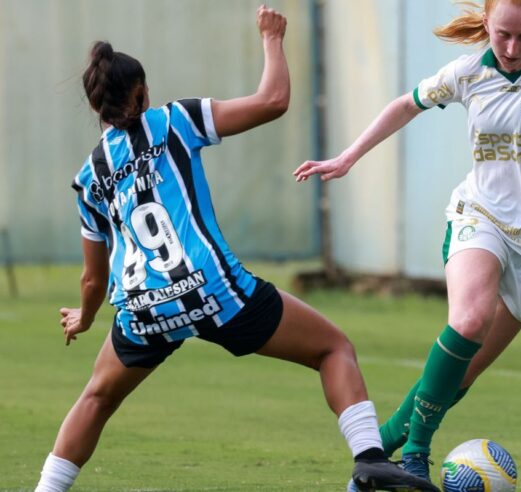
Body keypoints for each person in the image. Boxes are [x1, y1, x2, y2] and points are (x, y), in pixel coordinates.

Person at [34, 6, 438, 492]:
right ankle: (370, 460)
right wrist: (271, 37)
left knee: (96, 398)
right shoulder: (171, 121)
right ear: (141, 93)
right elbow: (273, 100)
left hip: (142, 307)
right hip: (212, 289)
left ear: (97, 106)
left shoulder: (89, 177)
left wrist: (83, 316)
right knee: (334, 348)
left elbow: (93, 278)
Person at [294, 0, 521, 486]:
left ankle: (374, 461)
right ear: (488, 24)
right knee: (469, 319)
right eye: (502, 35)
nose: (512, 48)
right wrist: (348, 158)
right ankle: (415, 454)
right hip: (480, 217)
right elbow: (404, 105)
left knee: (460, 376)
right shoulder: (467, 71)